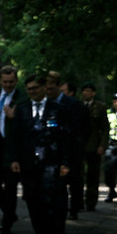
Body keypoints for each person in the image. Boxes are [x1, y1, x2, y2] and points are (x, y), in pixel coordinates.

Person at [9, 74, 71, 234]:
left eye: (35, 88)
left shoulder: (58, 109)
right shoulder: (22, 109)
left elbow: (65, 138)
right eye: (29, 89)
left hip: (50, 163)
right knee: (32, 200)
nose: (32, 92)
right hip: (28, 163)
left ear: (44, 87)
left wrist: (65, 162)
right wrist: (14, 159)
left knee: (48, 200)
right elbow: (15, 136)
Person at [0, 65, 27, 234]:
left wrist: (14, 117)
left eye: (11, 82)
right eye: (5, 82)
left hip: (12, 149)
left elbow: (28, 122)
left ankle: (7, 222)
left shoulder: (23, 99)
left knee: (10, 187)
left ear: (16, 81)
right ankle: (10, 213)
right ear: (0, 81)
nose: (8, 85)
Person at [46, 71, 85, 219]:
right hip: (53, 150)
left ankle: (74, 208)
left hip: (72, 149)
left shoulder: (73, 104)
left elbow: (81, 128)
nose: (48, 91)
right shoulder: (46, 104)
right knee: (57, 185)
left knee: (74, 181)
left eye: (51, 88)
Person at [80, 82, 110, 211]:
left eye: (89, 91)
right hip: (79, 146)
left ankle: (91, 202)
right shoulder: (78, 105)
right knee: (78, 175)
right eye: (85, 91)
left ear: (93, 93)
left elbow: (105, 128)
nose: (86, 93)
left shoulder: (100, 107)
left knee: (93, 175)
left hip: (94, 145)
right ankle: (78, 201)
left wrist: (102, 145)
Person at [105, 93, 117, 203]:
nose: (116, 102)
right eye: (115, 100)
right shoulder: (108, 113)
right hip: (111, 145)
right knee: (108, 170)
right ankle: (111, 189)